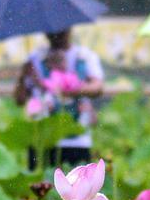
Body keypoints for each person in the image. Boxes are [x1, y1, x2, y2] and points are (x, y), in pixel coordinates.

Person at [15, 28, 104, 169]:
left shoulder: (84, 57)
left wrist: (70, 90)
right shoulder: (35, 59)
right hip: (41, 140)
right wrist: (22, 76)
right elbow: (19, 100)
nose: (56, 34)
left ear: (70, 30)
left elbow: (98, 88)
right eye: (51, 31)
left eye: (61, 30)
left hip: (76, 140)